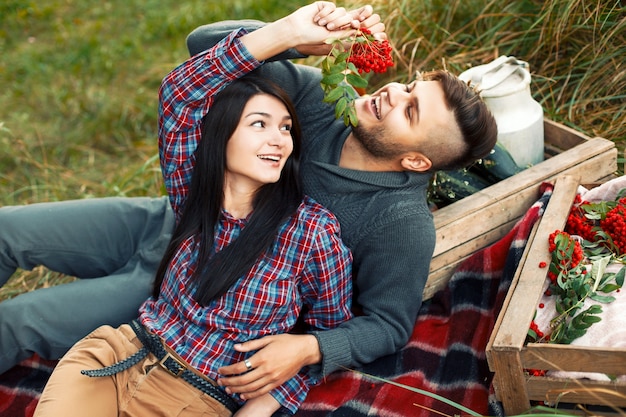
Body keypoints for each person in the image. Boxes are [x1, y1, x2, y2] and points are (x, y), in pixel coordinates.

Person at [0, 1, 497, 405]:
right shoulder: (324, 102)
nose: (392, 93)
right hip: (175, 213)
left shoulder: (399, 224)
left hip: (192, 291)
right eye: (410, 86)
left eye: (410, 109)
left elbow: (387, 325)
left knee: (19, 321)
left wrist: (307, 347)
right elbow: (202, 48)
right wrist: (292, 37)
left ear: (414, 161)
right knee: (6, 231)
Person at [34, 66, 353, 416]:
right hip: (114, 358)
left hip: (196, 399)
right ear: (221, 133)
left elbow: (325, 336)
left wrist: (254, 411)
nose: (279, 139)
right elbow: (179, 95)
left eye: (286, 128)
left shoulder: (311, 231)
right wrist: (290, 35)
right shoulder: (192, 192)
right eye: (259, 123)